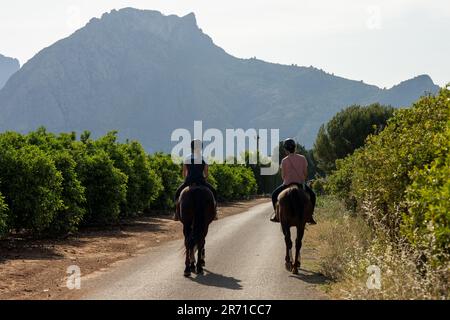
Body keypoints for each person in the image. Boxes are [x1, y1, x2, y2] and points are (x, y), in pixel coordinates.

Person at [270, 138, 317, 224]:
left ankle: (276, 216)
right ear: (295, 148)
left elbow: (283, 176)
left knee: (273, 195)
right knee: (313, 196)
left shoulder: (284, 161)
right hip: (300, 184)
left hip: (287, 184)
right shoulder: (302, 158)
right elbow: (305, 174)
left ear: (285, 149)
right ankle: (310, 216)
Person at [174, 139, 218, 221]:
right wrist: (203, 178)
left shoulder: (187, 158)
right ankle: (215, 212)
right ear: (200, 148)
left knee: (177, 193)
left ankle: (176, 213)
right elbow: (206, 174)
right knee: (214, 192)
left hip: (189, 181)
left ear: (191, 147)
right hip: (201, 181)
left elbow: (184, 173)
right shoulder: (204, 158)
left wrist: (187, 180)